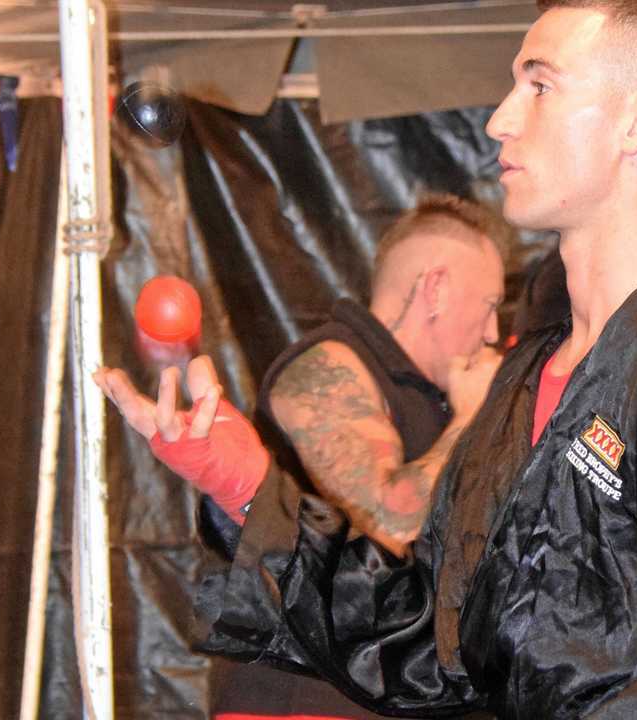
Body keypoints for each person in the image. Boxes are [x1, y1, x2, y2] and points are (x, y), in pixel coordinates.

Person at [191, 2, 637, 718]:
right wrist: (251, 491)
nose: (499, 120)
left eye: (539, 85)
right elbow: (429, 637)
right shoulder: (528, 376)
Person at [95, 194, 507, 720]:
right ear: (436, 288)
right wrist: (473, 419)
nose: (492, 332)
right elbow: (383, 523)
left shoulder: (429, 396)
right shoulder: (328, 369)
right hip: (301, 699)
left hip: (383, 688)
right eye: (490, 304)